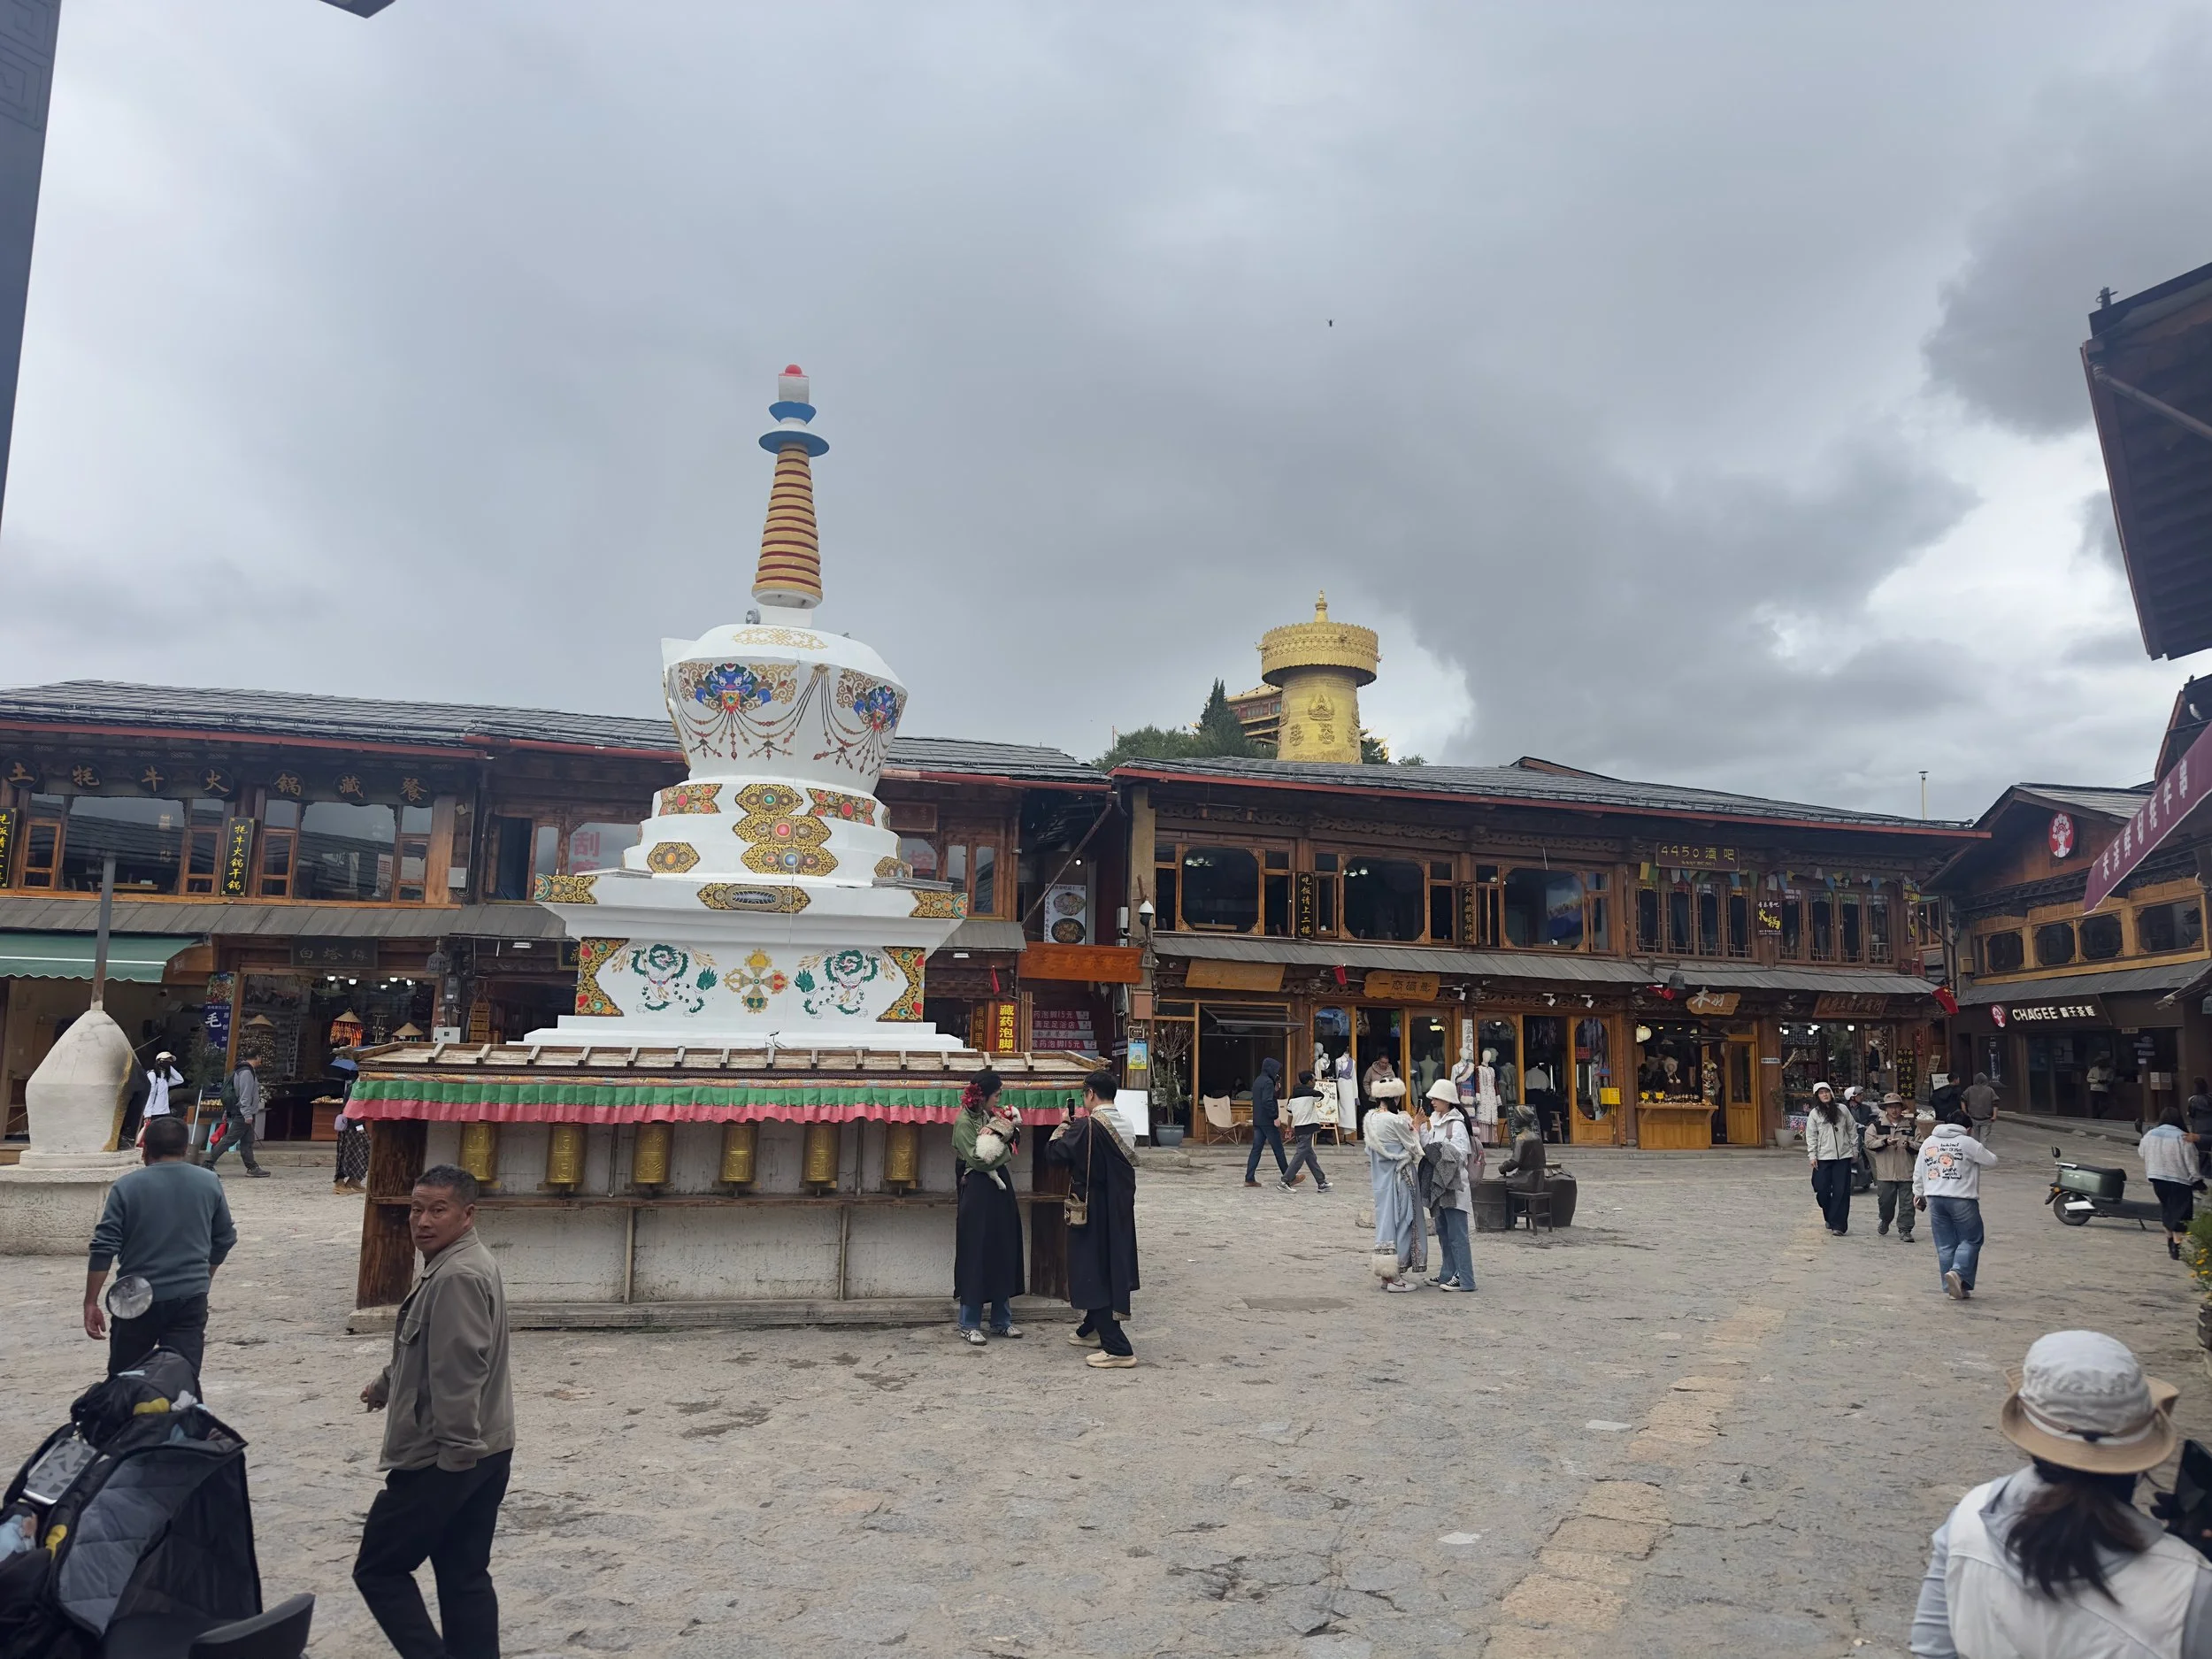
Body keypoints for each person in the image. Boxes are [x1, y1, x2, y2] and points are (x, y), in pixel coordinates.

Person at [1909, 1329, 2207, 1658]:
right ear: (2142, 1439)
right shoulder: (2190, 1589)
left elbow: (1932, 1649)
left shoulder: (1970, 1518)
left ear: (2031, 1429)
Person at [355, 1164, 515, 1659]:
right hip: (489, 1445)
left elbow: (459, 1371)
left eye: (437, 1210)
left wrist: (454, 1460)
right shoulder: (456, 1264)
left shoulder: (457, 1276)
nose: (423, 1221)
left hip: (444, 1454)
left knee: (379, 1569)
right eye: (416, 1209)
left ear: (467, 1215)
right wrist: (387, 1382)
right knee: (463, 1573)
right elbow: (427, 1347)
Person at [83, 1115, 236, 1379]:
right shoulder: (209, 1182)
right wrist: (204, 1277)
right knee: (182, 1381)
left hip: (135, 1295)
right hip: (189, 1296)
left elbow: (103, 1247)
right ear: (185, 1149)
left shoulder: (126, 1187)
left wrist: (91, 1302)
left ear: (146, 1150)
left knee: (125, 1379)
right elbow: (225, 1237)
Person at [1048, 1068, 1141, 1369]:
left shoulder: (1087, 1127)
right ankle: (1091, 1329)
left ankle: (1117, 1346)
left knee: (1091, 1268)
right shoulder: (1126, 1123)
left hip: (1092, 1207)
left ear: (1089, 1094)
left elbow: (1055, 1154)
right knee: (1107, 1265)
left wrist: (1063, 1124)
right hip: (1119, 1207)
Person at [951, 1067, 1025, 1347]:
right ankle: (969, 1322)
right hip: (978, 1192)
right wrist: (1004, 1149)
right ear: (983, 1095)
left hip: (999, 1191)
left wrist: (1006, 1134)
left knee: (1002, 1249)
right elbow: (979, 1160)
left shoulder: (988, 1117)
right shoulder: (963, 1123)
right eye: (997, 1094)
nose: (999, 1099)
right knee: (976, 1253)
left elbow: (1009, 1134)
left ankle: (1001, 1320)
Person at [1916, 1109, 1998, 1300]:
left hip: (1935, 1198)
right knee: (1971, 1239)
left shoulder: (1929, 1141)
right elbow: (1993, 1161)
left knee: (1945, 1244)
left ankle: (1955, 1289)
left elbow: (1919, 1169)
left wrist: (1918, 1193)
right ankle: (1958, 1272)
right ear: (1967, 1128)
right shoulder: (1968, 1142)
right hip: (1961, 1198)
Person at [1420, 1078, 1478, 1292]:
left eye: (1436, 1098)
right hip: (1440, 1184)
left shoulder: (1456, 1124)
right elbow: (1428, 1147)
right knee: (1444, 1232)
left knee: (1458, 1235)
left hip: (1454, 1187)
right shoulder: (1437, 1120)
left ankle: (1465, 1278)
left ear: (1447, 1100)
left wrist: (1438, 1148)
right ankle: (1448, 1273)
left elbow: (1460, 1155)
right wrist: (1420, 1129)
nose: (1433, 1102)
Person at [1364, 1086, 1424, 1292]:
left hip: (1381, 1178)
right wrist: (1416, 1125)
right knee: (1404, 1220)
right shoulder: (1395, 1120)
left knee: (1386, 1220)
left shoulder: (1370, 1119)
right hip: (1400, 1176)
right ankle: (1395, 1275)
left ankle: (1386, 1274)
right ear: (1396, 1098)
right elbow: (1415, 1147)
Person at [2141, 1104, 2200, 1263]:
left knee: (2167, 1209)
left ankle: (2169, 1239)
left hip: (2157, 1177)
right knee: (2181, 1213)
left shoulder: (2150, 1135)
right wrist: (2197, 1179)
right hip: (2180, 1180)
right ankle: (2177, 1244)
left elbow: (2141, 1152)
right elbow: (2191, 1161)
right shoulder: (2182, 1137)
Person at [1804, 1082, 1861, 1235]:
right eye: (1821, 1093)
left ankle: (1839, 1225)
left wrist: (1854, 1150)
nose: (1825, 1095)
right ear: (1817, 1096)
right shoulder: (1815, 1114)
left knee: (1841, 1191)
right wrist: (1812, 1155)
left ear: (1831, 1093)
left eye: (1826, 1092)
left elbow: (1852, 1129)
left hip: (1843, 1156)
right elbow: (1811, 1136)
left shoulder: (1842, 1110)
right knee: (1821, 1189)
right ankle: (1829, 1215)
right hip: (1823, 1157)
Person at [1863, 1092, 1922, 1242]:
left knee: (1907, 1204)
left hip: (1906, 1171)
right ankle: (1885, 1220)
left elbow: (1922, 1145)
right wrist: (1884, 1142)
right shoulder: (1876, 1126)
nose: (1894, 1110)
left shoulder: (1912, 1127)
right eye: (1890, 1107)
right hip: (1885, 1173)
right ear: (1885, 1109)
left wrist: (1909, 1144)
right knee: (1885, 1202)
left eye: (1896, 1106)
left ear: (1901, 1108)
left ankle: (1905, 1230)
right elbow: (1869, 1144)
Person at [204, 1054, 270, 1177]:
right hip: (243, 1113)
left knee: (247, 1141)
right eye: (261, 1058)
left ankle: (252, 1167)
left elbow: (233, 1092)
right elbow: (244, 1095)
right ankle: (207, 1164)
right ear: (258, 1057)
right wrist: (247, 1114)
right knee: (229, 1140)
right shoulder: (246, 1073)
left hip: (242, 1111)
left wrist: (228, 1111)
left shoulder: (240, 1070)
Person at [1279, 1069, 1332, 1194]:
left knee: (1310, 1157)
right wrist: (1310, 1090)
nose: (1315, 1082)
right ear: (1309, 1082)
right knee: (1300, 1156)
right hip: (1307, 1127)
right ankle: (1284, 1181)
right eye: (1314, 1080)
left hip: (1298, 1128)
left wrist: (1289, 1127)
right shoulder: (1311, 1095)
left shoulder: (1292, 1097)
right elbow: (1321, 1095)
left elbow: (1290, 1113)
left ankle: (1321, 1182)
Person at [1243, 1056, 1288, 1187]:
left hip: (1258, 1120)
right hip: (1268, 1121)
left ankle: (1249, 1178)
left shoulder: (1258, 1080)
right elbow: (1267, 1101)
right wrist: (1274, 1116)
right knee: (1278, 1149)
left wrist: (1276, 1090)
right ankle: (1288, 1176)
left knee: (1256, 1150)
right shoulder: (1268, 1082)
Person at [128, 1049, 185, 1148]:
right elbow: (150, 1095)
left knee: (162, 1135)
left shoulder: (165, 1078)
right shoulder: (152, 1075)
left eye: (170, 1061)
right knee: (151, 1136)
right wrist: (147, 1114)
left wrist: (170, 1067)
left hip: (164, 1111)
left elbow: (180, 1079)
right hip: (154, 1113)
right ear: (159, 1062)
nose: (168, 1063)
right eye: (166, 1061)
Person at [1962, 1072, 2000, 1146]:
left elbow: (1962, 1099)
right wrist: (1994, 1115)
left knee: (1974, 1140)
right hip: (1986, 1119)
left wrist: (1965, 1112)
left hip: (1973, 1118)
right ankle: (1982, 1154)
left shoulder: (1969, 1089)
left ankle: (1975, 1154)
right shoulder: (1990, 1090)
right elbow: (1995, 1103)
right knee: (1983, 1139)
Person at [2188, 1077, 2212, 1179]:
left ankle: (2205, 1173)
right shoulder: (2210, 1098)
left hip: (2199, 1129)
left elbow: (2191, 1115)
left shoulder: (2192, 1100)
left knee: (2202, 1153)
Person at [2086, 1056, 2116, 1122]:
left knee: (2104, 1104)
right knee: (2094, 1104)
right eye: (2099, 1062)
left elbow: (2111, 1078)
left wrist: (2107, 1081)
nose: (2101, 1063)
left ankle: (2099, 1114)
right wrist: (2097, 1081)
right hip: (2094, 1089)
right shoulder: (2093, 1069)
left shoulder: (2109, 1070)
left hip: (2104, 1089)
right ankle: (2095, 1117)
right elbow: (2088, 1078)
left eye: (2102, 1062)